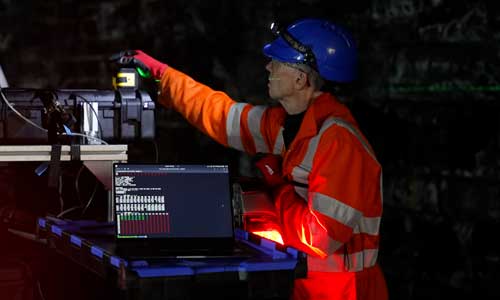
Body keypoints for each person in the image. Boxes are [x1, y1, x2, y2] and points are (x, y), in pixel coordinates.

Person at [112, 18, 388, 300]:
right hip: (301, 282)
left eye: (277, 62)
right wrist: (163, 76)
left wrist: (277, 186)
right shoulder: (285, 124)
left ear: (300, 79)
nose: (268, 67)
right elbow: (221, 117)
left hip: (344, 291)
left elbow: (320, 238)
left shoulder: (339, 142)